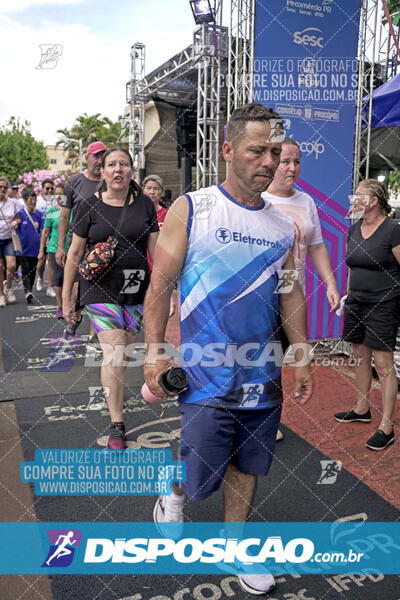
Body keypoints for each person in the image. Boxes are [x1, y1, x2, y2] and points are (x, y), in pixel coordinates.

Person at [143, 103, 314, 596]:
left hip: (261, 374)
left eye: (275, 152)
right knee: (201, 476)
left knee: (249, 464)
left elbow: (289, 291)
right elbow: (161, 283)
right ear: (227, 150)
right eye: (257, 150)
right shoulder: (194, 208)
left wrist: (301, 352)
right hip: (204, 373)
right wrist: (155, 353)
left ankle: (235, 545)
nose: (269, 161)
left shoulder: (285, 227)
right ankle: (173, 491)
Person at [62, 147, 159, 450]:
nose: (118, 170)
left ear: (132, 171)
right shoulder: (89, 206)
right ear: (102, 172)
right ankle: (117, 423)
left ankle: (114, 392)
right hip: (99, 290)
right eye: (112, 165)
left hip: (137, 289)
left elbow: (156, 251)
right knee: (114, 352)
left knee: (125, 353)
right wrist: (67, 298)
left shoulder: (145, 205)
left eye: (124, 164)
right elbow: (75, 253)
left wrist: (165, 289)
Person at [263, 137, 340, 441]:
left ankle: (267, 419)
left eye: (296, 162)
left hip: (292, 295)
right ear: (272, 162)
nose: (292, 168)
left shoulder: (306, 201)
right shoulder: (259, 199)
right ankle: (247, 418)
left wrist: (331, 284)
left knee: (279, 357)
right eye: (285, 161)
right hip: (260, 296)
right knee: (258, 358)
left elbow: (317, 247)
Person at [334, 179, 400, 451]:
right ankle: (362, 408)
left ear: (373, 201)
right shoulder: (353, 229)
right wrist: (345, 297)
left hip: (384, 304)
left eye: (358, 196)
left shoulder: (393, 230)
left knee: (383, 366)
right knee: (360, 357)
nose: (353, 200)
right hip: (356, 303)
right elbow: (353, 267)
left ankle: (387, 425)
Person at [56, 141, 106, 348]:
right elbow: (64, 217)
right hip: (78, 244)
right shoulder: (73, 183)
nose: (99, 160)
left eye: (103, 155)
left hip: (103, 246)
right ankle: (74, 316)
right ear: (86, 157)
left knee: (98, 288)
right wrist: (60, 246)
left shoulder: (109, 181)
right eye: (95, 156)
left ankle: (96, 333)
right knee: (78, 287)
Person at [39, 183, 69, 317]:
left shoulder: (73, 210)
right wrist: (41, 251)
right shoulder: (51, 212)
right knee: (59, 277)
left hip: (72, 249)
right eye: (56, 194)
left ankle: (70, 305)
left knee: (72, 279)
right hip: (54, 248)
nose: (59, 196)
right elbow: (45, 232)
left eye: (61, 193)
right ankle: (60, 306)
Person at [16, 190, 43, 303]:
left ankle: (29, 290)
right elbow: (15, 228)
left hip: (35, 249)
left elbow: (42, 230)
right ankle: (27, 291)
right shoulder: (20, 214)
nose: (33, 202)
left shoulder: (39, 214)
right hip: (23, 249)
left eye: (34, 199)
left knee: (32, 271)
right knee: (25, 269)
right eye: (30, 199)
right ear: (25, 201)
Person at [0, 176, 20, 306]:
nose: (2, 189)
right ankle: (0, 295)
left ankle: (8, 289)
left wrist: (15, 222)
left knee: (12, 265)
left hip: (9, 238)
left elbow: (18, 218)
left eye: (4, 187)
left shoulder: (12, 202)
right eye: (0, 187)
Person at [143, 174, 168, 270]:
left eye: (156, 189)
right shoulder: (136, 213)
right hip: (140, 264)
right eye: (148, 188)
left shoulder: (168, 214)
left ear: (162, 192)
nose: (152, 192)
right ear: (143, 190)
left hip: (160, 264)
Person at [35, 179, 56, 297]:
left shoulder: (56, 201)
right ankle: (40, 277)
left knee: (51, 260)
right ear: (42, 189)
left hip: (53, 234)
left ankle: (50, 286)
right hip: (41, 234)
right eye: (47, 188)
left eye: (51, 188)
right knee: (41, 261)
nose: (49, 191)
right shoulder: (37, 201)